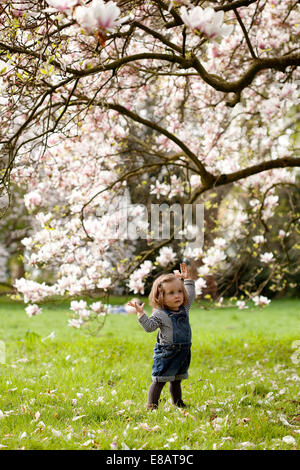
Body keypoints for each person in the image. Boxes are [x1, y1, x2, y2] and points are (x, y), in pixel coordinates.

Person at [128, 263, 195, 410]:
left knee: (176, 380)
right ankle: (152, 406)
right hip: (167, 353)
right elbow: (149, 327)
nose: (177, 295)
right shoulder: (160, 314)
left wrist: (188, 280)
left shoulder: (184, 309)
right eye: (171, 293)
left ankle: (178, 402)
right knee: (159, 380)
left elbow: (190, 294)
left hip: (183, 352)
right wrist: (141, 314)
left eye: (179, 291)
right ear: (161, 297)